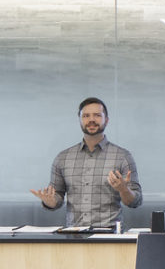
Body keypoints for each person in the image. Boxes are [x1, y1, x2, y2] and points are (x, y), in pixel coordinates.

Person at [30, 96, 142, 227]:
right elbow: (57, 198)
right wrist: (50, 201)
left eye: (97, 115)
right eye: (86, 116)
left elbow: (136, 202)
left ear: (106, 120)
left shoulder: (122, 156)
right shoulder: (63, 158)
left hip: (109, 236)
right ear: (80, 120)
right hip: (74, 235)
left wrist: (124, 190)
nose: (92, 120)